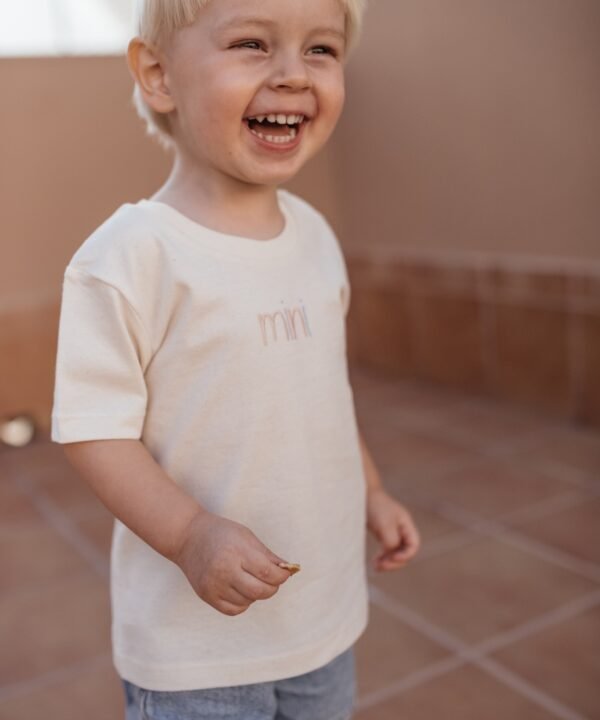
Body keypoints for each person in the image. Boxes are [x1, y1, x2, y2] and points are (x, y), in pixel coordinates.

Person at [51, 0, 421, 717]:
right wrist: (189, 534)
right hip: (196, 652)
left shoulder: (315, 238)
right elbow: (96, 432)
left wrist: (371, 491)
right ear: (158, 74)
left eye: (321, 49)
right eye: (253, 43)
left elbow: (322, 394)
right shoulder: (129, 257)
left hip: (321, 618)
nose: (293, 75)